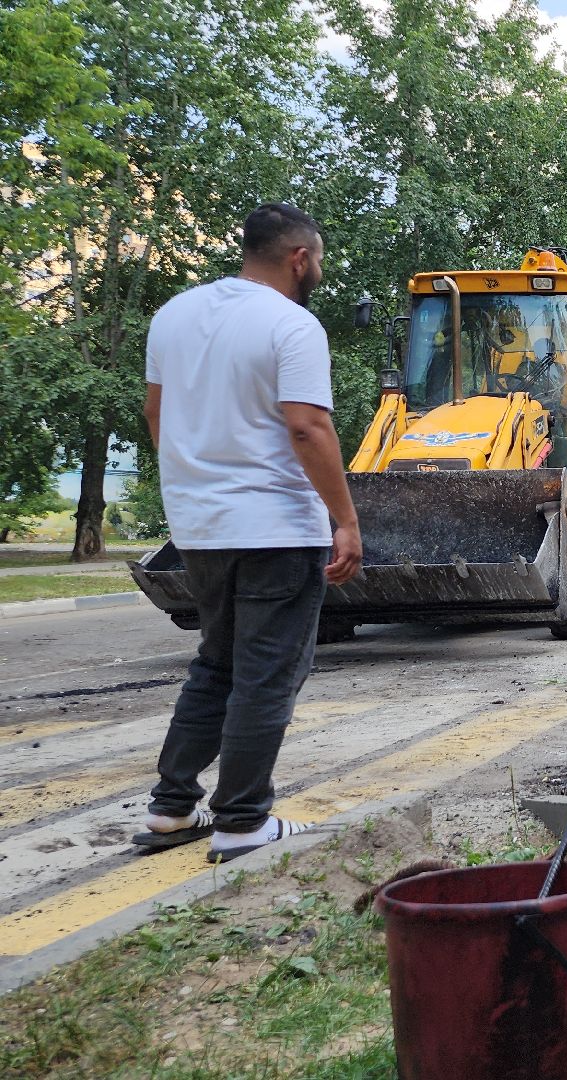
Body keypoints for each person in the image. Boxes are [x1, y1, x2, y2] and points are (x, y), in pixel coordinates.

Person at [132, 203, 363, 863]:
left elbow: (156, 414)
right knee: (267, 673)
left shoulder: (173, 316)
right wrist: (345, 519)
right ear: (299, 258)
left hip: (200, 528)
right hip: (275, 528)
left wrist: (195, 488)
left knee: (217, 662)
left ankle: (172, 808)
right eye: (319, 261)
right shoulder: (291, 324)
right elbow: (307, 427)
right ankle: (241, 821)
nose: (318, 272)